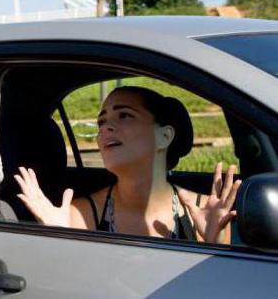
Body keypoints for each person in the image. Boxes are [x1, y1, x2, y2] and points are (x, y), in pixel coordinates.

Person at [15, 86, 241, 244]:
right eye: (101, 121)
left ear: (164, 136)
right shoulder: (80, 214)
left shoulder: (204, 212)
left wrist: (216, 244)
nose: (105, 128)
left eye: (124, 115)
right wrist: (60, 238)